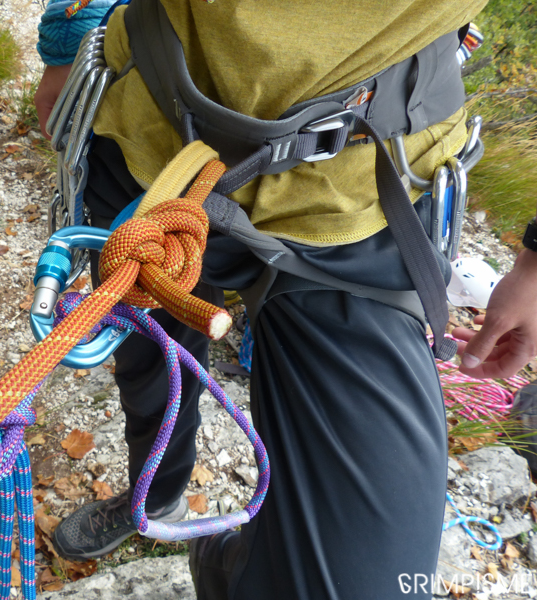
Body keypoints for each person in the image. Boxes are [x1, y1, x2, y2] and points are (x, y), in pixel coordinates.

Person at [34, 1, 537, 598]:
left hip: (373, 193)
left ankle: (231, 561)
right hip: (152, 133)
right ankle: (158, 493)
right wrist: (69, 42)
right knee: (153, 363)